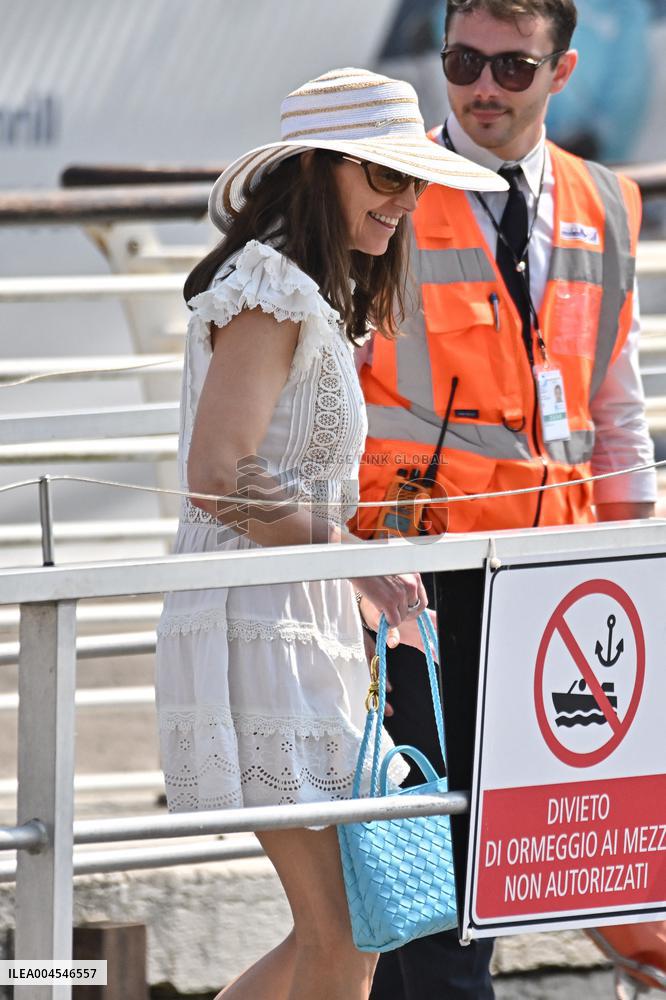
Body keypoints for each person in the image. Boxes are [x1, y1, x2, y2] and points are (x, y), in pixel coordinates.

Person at [154, 68, 503, 1000]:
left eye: (414, 180)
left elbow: (249, 477)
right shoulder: (270, 285)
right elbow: (219, 474)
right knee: (346, 931)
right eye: (386, 177)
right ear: (318, 170)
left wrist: (350, 566)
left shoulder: (298, 287)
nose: (406, 200)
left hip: (292, 620)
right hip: (263, 625)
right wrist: (355, 556)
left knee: (349, 932)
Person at [356, 4, 657, 999]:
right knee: (423, 869)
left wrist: (637, 570)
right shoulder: (385, 193)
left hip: (554, 589)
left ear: (562, 69)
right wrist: (350, 566)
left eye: (511, 67)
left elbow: (616, 407)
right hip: (416, 581)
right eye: (463, 61)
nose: (483, 87)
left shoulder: (605, 202)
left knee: (514, 856)